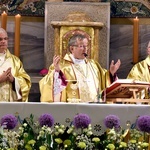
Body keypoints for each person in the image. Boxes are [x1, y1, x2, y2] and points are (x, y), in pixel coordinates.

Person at [39, 34, 121, 102]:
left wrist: (111, 73)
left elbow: (104, 82)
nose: (85, 49)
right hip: (72, 109)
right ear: (72, 48)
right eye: (82, 46)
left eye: (87, 46)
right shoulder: (61, 66)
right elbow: (49, 85)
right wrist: (57, 72)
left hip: (94, 107)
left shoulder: (93, 65)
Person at [0, 28, 31, 102]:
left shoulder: (15, 61)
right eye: (0, 39)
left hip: (11, 104)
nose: (3, 41)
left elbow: (25, 82)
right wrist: (0, 79)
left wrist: (14, 80)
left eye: (5, 39)